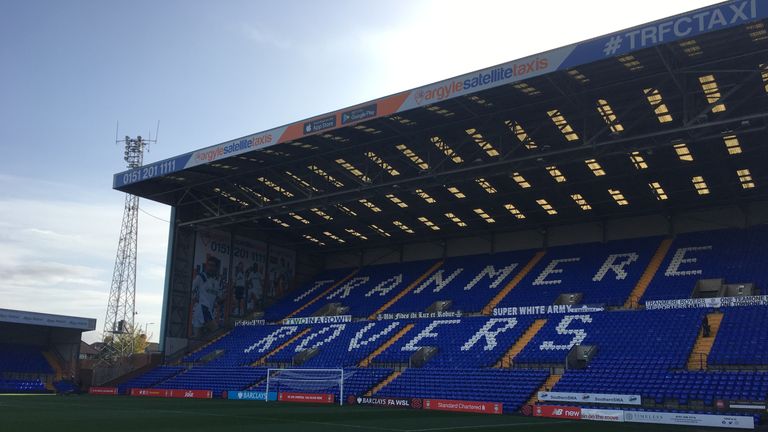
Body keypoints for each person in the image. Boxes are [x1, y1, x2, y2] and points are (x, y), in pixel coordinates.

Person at [191, 255, 220, 335]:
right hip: (203, 309)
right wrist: (195, 297)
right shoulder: (201, 277)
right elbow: (191, 288)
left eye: (212, 266)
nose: (210, 267)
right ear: (206, 266)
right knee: (216, 332)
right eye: (209, 265)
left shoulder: (216, 282)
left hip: (208, 311)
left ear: (215, 268)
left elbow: (217, 299)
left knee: (198, 339)